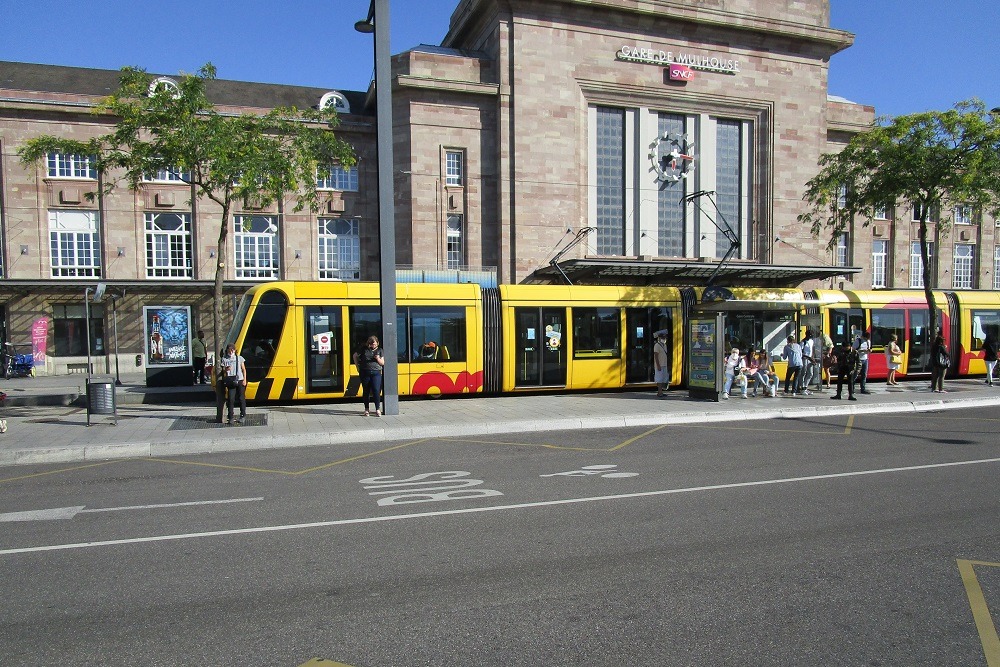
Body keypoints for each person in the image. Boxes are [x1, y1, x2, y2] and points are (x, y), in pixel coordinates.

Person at [353, 335, 385, 416]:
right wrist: (357, 366)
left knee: (376, 390)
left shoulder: (380, 350)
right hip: (365, 372)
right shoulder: (364, 349)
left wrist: (378, 358)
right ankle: (366, 409)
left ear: (377, 343)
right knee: (366, 391)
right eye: (371, 344)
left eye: (374, 344)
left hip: (376, 373)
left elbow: (382, 363)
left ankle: (377, 409)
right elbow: (355, 356)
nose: (372, 345)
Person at [220, 344, 247, 424]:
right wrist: (226, 370)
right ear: (227, 350)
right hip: (230, 380)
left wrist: (245, 379)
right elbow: (223, 370)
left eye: (233, 350)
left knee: (241, 398)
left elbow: (244, 369)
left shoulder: (239, 358)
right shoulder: (224, 359)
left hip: (239, 379)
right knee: (231, 399)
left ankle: (243, 415)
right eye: (230, 350)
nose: (231, 352)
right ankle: (231, 416)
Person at [652, 332, 670, 397]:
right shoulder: (657, 345)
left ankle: (661, 391)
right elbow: (656, 356)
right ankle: (659, 392)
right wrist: (658, 365)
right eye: (662, 338)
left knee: (663, 379)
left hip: (664, 364)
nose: (664, 339)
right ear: (659, 338)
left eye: (665, 338)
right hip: (659, 365)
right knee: (659, 379)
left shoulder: (665, 345)